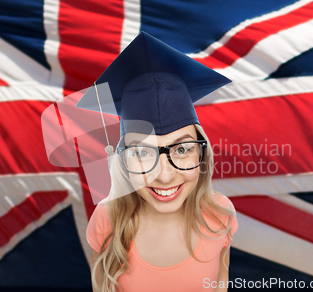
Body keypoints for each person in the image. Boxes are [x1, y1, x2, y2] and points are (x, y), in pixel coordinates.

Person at [76, 32, 238, 292]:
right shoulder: (108, 220)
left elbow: (220, 285)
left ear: (202, 153)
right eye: (141, 153)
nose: (164, 176)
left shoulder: (219, 213)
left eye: (183, 148)